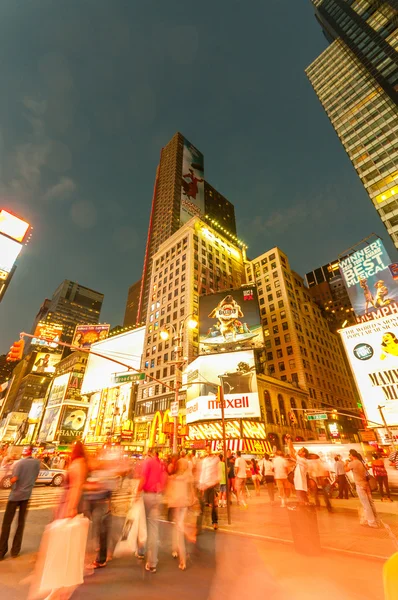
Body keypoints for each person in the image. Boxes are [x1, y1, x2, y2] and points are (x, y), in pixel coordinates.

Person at [0, 445, 40, 559]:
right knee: (20, 523)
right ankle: (15, 550)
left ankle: (2, 551)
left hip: (15, 496)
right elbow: (36, 477)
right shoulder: (37, 463)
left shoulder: (19, 464)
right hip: (26, 496)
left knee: (7, 523)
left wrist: (9, 473)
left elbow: (14, 479)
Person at [138, 449, 166, 573]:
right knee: (153, 529)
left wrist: (136, 493)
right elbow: (165, 480)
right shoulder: (161, 464)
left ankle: (141, 550)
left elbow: (143, 478)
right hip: (157, 496)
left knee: (142, 526)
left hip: (147, 496)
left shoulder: (148, 462)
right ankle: (152, 562)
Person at [166, 455, 192, 570]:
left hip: (177, 505)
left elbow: (169, 493)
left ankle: (179, 555)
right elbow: (192, 493)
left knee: (177, 528)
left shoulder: (174, 478)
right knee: (179, 528)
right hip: (184, 505)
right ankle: (179, 554)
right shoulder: (188, 477)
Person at [345, 449, 378, 528]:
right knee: (370, 503)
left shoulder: (353, 463)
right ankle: (376, 520)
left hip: (360, 485)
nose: (349, 456)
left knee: (366, 504)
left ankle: (372, 522)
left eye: (349, 455)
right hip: (366, 484)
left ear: (352, 455)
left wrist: (346, 463)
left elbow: (345, 470)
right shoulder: (361, 462)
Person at [199, 447, 220, 530]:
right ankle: (200, 523)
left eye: (209, 449)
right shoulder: (204, 461)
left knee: (214, 505)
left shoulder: (216, 459)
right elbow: (203, 472)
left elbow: (218, 470)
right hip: (205, 484)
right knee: (203, 504)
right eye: (207, 449)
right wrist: (201, 484)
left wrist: (217, 480)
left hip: (213, 484)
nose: (208, 451)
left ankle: (215, 522)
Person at [286, 435, 309, 505]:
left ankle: (304, 514)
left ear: (304, 453)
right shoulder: (301, 460)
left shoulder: (302, 460)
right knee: (304, 500)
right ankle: (307, 513)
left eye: (300, 450)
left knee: (301, 500)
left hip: (300, 484)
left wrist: (289, 440)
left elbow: (292, 450)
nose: (298, 450)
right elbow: (292, 449)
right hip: (300, 484)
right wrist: (289, 440)